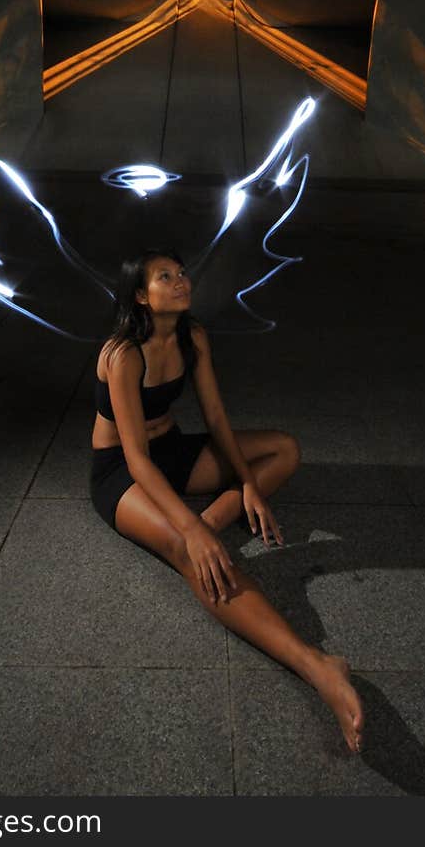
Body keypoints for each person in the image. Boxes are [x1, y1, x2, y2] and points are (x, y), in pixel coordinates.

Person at [90, 248, 364, 753]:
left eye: (181, 272)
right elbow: (135, 459)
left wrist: (248, 483)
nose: (180, 281)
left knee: (283, 449)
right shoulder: (123, 353)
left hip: (173, 451)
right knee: (187, 552)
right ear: (140, 296)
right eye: (164, 277)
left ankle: (213, 524)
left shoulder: (193, 337)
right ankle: (316, 665)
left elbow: (215, 419)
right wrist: (190, 532)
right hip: (121, 475)